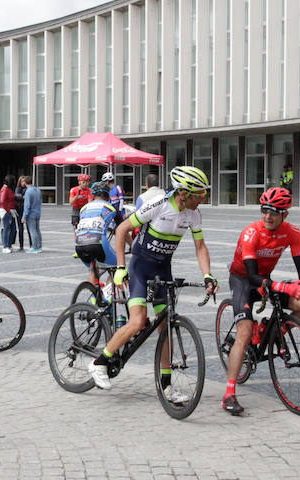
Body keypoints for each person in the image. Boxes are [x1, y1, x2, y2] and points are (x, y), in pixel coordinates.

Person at [91, 166, 218, 394]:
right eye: (199, 195)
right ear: (184, 193)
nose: (203, 199)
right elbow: (122, 229)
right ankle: (100, 362)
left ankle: (166, 386)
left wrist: (207, 274)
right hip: (141, 267)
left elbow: (201, 246)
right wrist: (121, 267)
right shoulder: (159, 205)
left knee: (165, 326)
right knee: (138, 321)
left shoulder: (193, 214)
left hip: (163, 269)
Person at [223, 186, 300, 415]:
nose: (268, 216)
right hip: (243, 279)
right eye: (265, 210)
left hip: (265, 281)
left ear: (285, 214)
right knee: (244, 332)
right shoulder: (251, 233)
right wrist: (284, 286)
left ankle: (270, 333)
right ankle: (229, 394)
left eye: (274, 211)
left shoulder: (292, 232)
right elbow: (252, 275)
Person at [75, 182, 123, 283]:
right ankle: (107, 296)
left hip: (79, 243)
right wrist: (132, 245)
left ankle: (94, 297)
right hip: (98, 242)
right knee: (117, 266)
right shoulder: (111, 207)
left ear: (93, 195)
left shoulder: (84, 208)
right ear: (108, 195)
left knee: (93, 269)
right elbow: (122, 229)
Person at [22, 175, 43, 253]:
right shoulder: (38, 190)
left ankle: (34, 247)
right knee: (37, 230)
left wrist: (24, 216)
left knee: (32, 231)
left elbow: (27, 206)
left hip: (31, 214)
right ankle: (39, 246)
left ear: (25, 182)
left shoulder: (28, 191)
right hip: (37, 212)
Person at [0, 174, 17, 253]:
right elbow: (2, 201)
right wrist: (8, 210)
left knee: (13, 229)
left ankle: (9, 245)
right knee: (7, 229)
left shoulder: (8, 189)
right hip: (7, 211)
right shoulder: (5, 189)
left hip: (10, 211)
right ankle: (5, 246)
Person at [14, 176, 29, 251]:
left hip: (26, 210)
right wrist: (22, 197)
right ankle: (21, 246)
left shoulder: (27, 189)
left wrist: (20, 196)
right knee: (20, 228)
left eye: (24, 181)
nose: (23, 183)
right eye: (22, 181)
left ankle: (31, 245)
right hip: (19, 210)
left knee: (29, 228)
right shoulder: (17, 189)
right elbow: (17, 197)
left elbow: (25, 197)